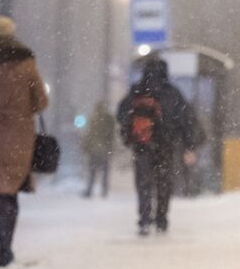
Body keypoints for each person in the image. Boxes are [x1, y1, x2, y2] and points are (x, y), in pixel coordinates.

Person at [0, 16, 48, 267]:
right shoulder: (26, 62)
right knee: (11, 191)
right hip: (20, 134)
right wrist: (24, 110)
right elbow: (41, 101)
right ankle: (7, 248)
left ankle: (2, 247)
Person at [117, 57, 202, 236]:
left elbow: (121, 113)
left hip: (142, 144)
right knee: (164, 183)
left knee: (143, 183)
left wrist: (133, 129)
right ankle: (161, 219)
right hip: (165, 145)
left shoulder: (137, 91)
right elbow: (185, 120)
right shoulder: (172, 92)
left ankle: (144, 219)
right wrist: (189, 144)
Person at [81, 101, 115, 198]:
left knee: (93, 171)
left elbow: (89, 134)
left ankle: (90, 190)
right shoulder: (108, 119)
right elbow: (111, 135)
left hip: (94, 149)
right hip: (104, 149)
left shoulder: (94, 118)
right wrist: (111, 148)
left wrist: (85, 147)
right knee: (104, 172)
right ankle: (104, 191)